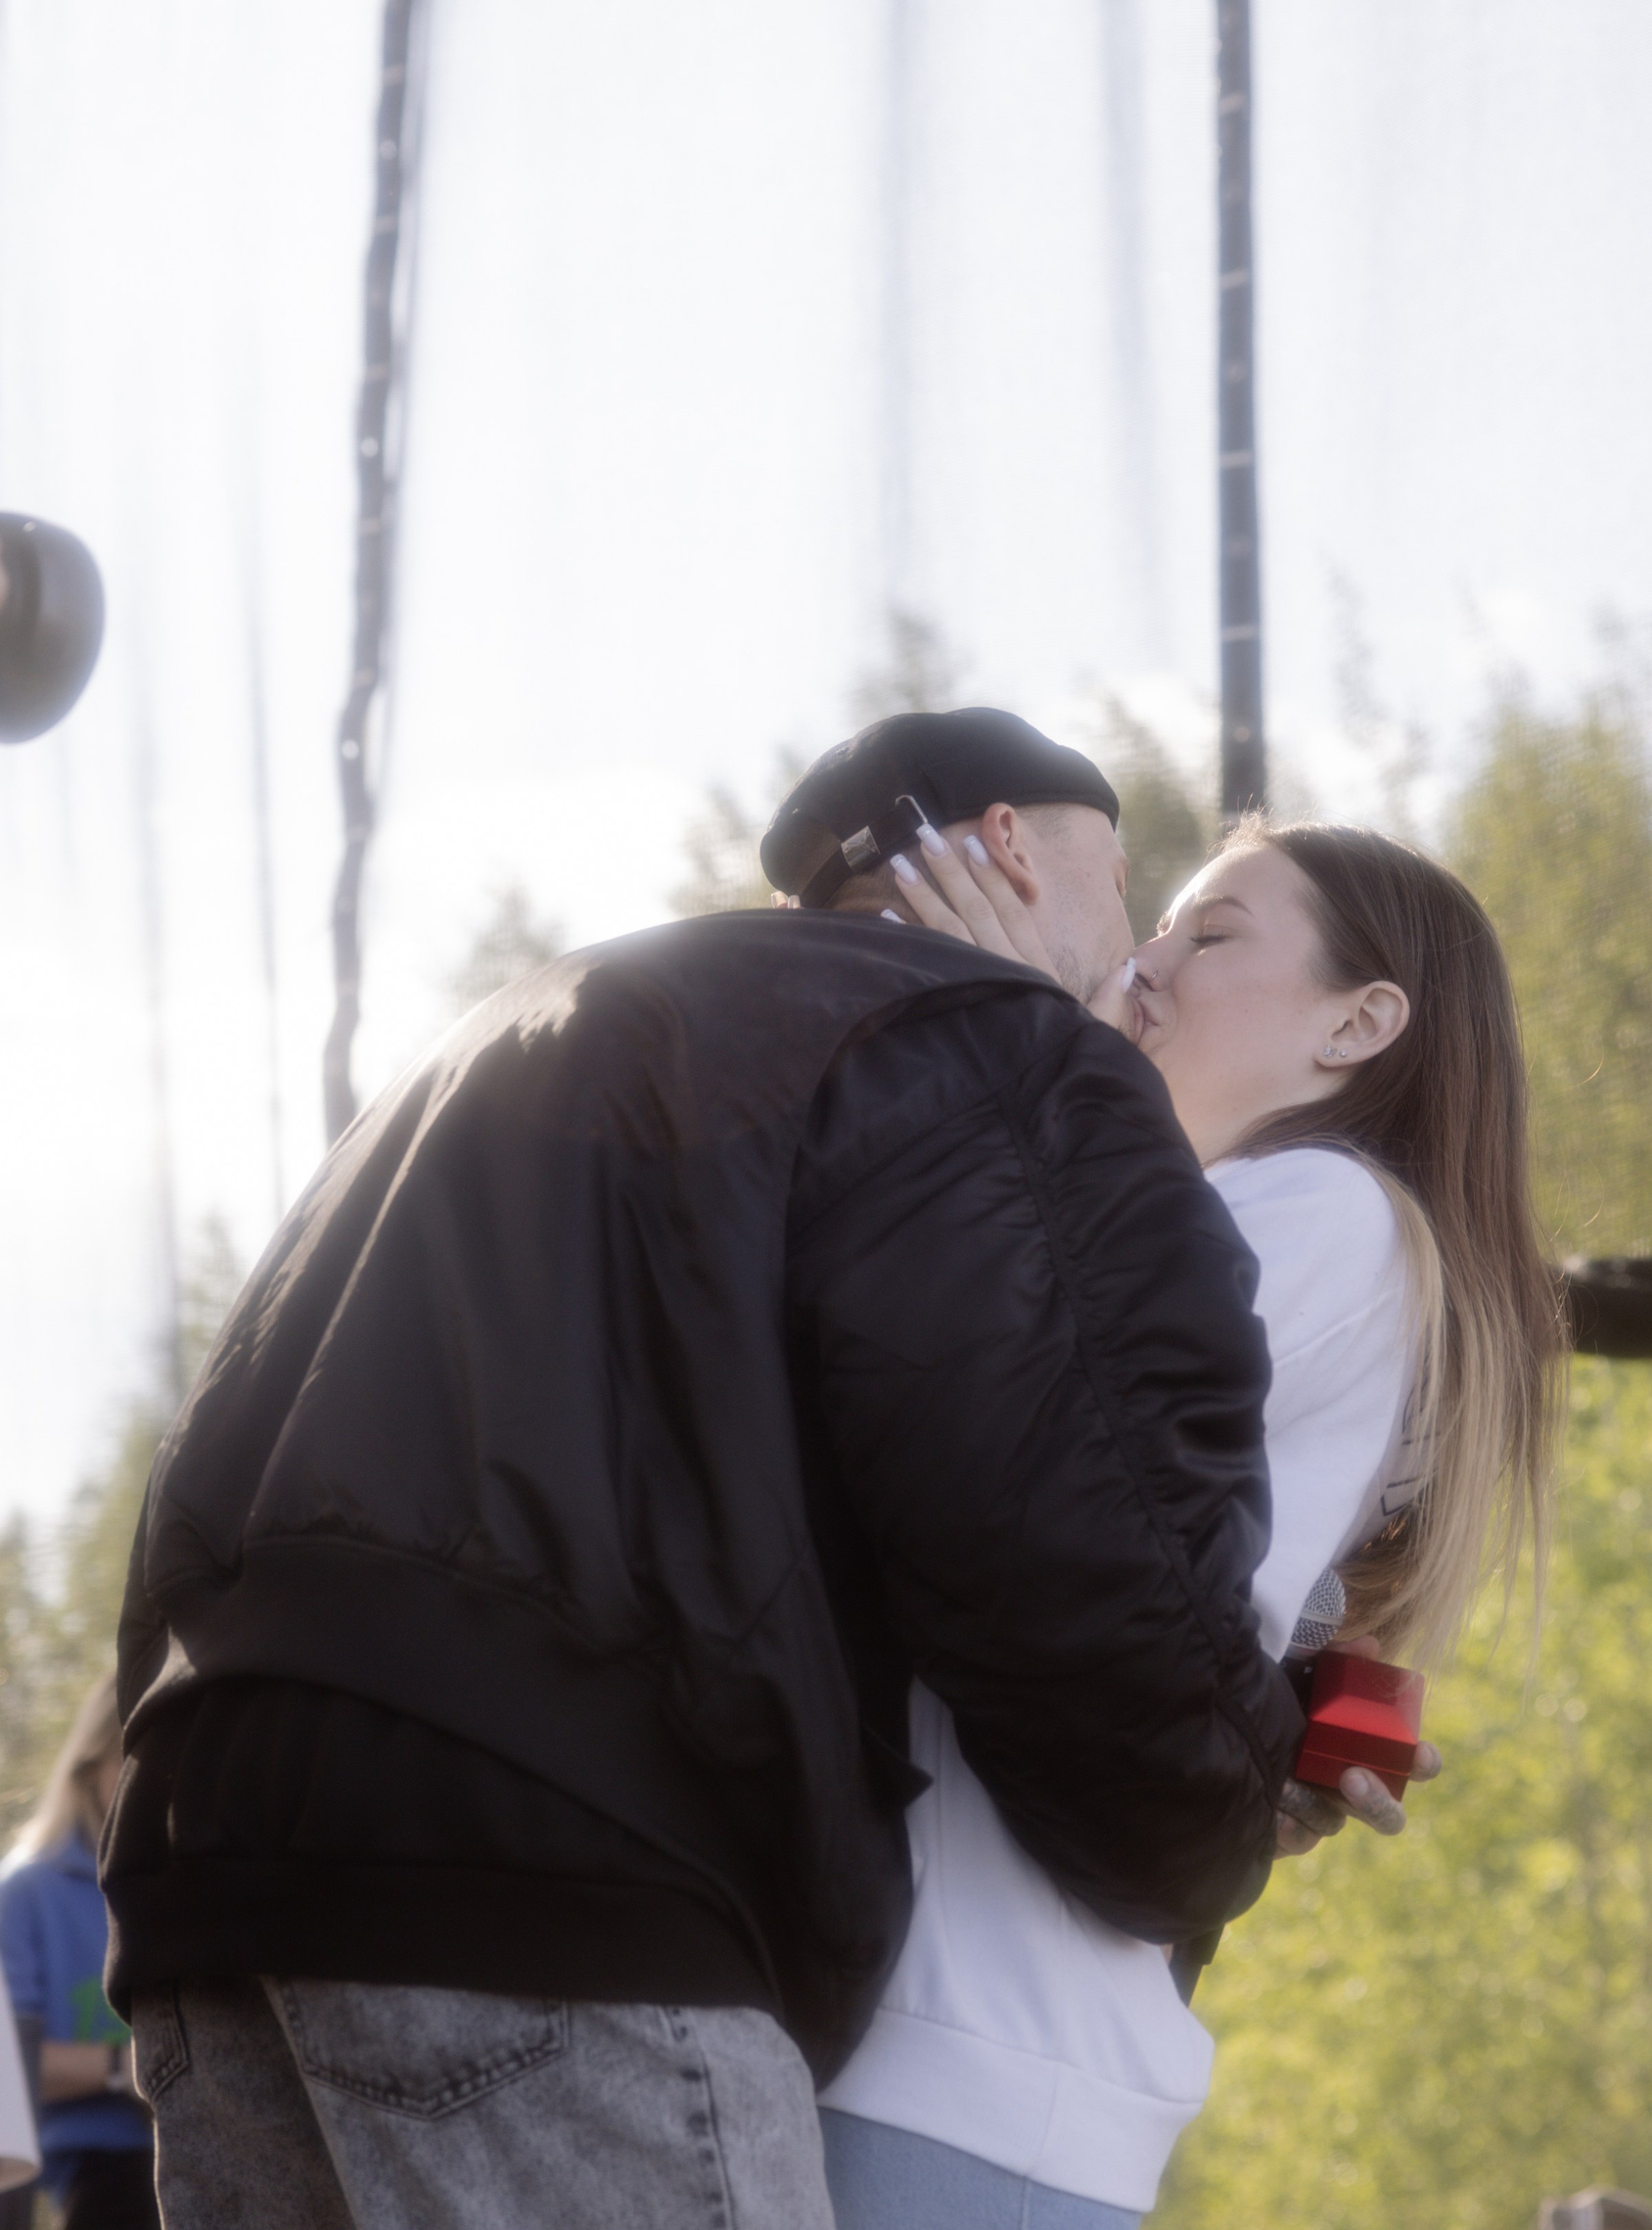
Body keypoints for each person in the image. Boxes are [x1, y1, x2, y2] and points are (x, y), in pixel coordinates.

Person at [102, 709, 1338, 2230]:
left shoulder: (508, 1039)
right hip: (551, 1886)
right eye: (1134, 895)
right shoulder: (982, 1043)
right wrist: (1223, 1803)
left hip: (206, 1885)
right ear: (1013, 848)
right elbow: (1072, 1547)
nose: (1137, 964)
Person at [818, 811, 1567, 2228]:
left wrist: (1020, 1041)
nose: (1147, 962)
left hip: (977, 2039)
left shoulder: (1318, 1207)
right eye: (1155, 923)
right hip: (989, 2043)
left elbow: (1013, 1398)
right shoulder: (1265, 1215)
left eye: (1211, 934)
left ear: (1359, 1022)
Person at [1, 1680, 157, 2230]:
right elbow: (11, 2067)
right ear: (91, 1767)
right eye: (137, 1763)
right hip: (94, 2165)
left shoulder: (178, 1889)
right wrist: (125, 2067)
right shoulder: (25, 1892)